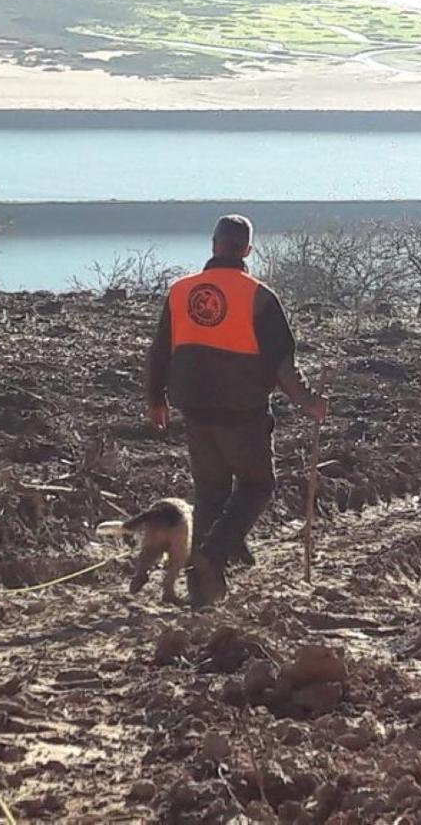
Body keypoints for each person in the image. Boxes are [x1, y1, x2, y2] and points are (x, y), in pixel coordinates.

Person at [145, 214, 328, 607]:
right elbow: (283, 366)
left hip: (194, 409)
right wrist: (310, 402)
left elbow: (160, 350)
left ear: (213, 245)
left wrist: (155, 398)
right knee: (257, 486)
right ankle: (212, 557)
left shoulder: (181, 292)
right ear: (247, 249)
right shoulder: (260, 297)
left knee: (210, 492)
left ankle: (202, 585)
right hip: (242, 412)